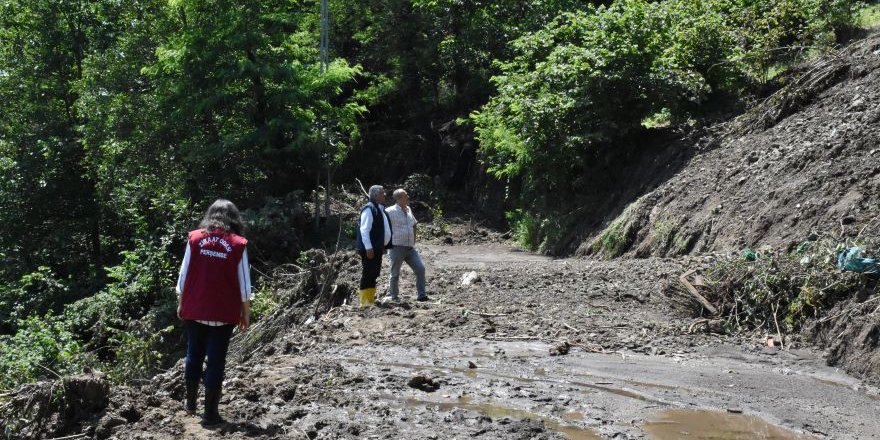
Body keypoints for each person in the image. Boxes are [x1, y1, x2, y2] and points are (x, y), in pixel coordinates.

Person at [176, 199, 252, 425]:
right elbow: (245, 285)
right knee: (216, 361)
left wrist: (181, 302)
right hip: (223, 312)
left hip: (195, 308)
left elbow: (183, 275)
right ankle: (210, 413)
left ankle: (190, 404)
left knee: (194, 355)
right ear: (234, 219)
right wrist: (245, 313)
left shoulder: (195, 238)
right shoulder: (238, 244)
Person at [385, 188, 428, 302]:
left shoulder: (408, 209)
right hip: (396, 247)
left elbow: (414, 224)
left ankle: (421, 295)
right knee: (395, 273)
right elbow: (383, 227)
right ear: (399, 198)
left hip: (410, 248)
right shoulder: (389, 211)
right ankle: (394, 296)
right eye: (406, 196)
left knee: (420, 269)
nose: (408, 197)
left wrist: (413, 239)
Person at [355, 185, 391, 306]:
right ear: (375, 195)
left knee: (374, 274)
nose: (384, 194)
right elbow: (364, 230)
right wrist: (369, 248)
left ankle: (369, 300)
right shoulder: (369, 209)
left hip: (376, 248)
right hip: (369, 249)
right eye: (382, 193)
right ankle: (364, 303)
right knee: (368, 274)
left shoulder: (378, 208)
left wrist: (383, 246)